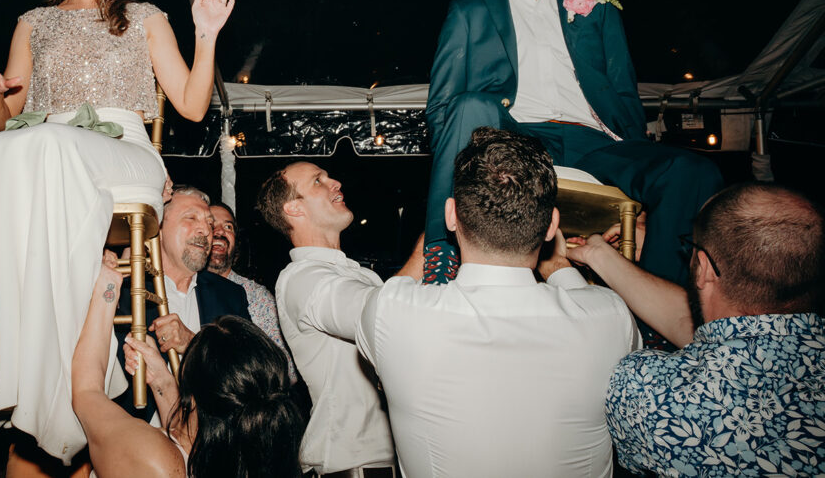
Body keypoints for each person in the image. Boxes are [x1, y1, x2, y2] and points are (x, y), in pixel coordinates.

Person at [0, 0, 234, 461]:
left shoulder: (144, 16)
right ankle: (27, 358)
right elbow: (4, 120)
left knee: (48, 144)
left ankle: (70, 371)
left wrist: (206, 32)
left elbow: (191, 105)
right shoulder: (33, 23)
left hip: (123, 154)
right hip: (49, 150)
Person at [424, 0, 723, 285]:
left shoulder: (595, 5)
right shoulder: (469, 11)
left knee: (693, 171)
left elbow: (624, 93)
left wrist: (639, 192)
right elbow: (442, 111)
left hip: (595, 144)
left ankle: (656, 296)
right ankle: (440, 251)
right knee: (468, 106)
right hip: (517, 139)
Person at [353, 127, 641, 477]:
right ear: (552, 225)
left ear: (451, 215)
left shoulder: (392, 311)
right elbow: (590, 304)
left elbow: (395, 292)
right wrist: (560, 269)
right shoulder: (610, 315)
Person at [568, 182, 825, 476]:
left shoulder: (653, 393)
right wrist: (599, 255)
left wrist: (561, 271)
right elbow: (703, 330)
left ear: (703, 268)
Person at [73, 251, 303, 478]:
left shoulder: (155, 459)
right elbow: (186, 437)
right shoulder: (236, 452)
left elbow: (86, 393)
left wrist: (106, 289)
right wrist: (161, 380)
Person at [257, 162, 396, 477]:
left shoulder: (362, 275)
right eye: (318, 181)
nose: (336, 182)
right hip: (349, 463)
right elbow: (377, 315)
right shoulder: (300, 278)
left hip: (389, 458)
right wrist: (429, 245)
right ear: (294, 208)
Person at [114, 187, 251, 419]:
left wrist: (194, 343)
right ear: (158, 228)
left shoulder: (230, 294)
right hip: (138, 433)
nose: (206, 230)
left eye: (209, 223)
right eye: (191, 218)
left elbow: (256, 371)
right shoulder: (125, 289)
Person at [205, 201, 296, 382]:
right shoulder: (184, 286)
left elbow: (287, 371)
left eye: (228, 227)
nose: (220, 231)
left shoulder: (256, 297)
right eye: (211, 224)